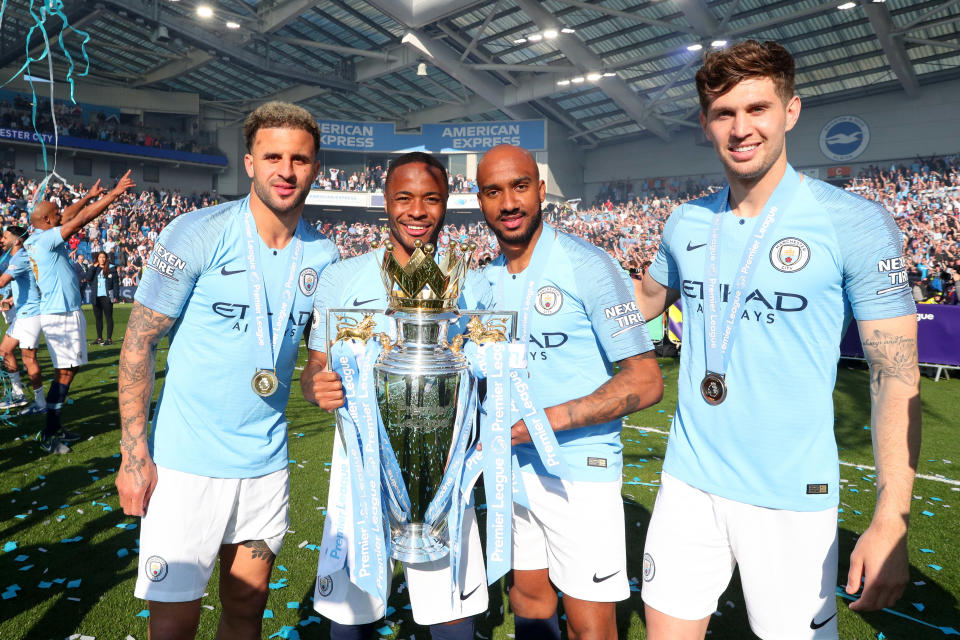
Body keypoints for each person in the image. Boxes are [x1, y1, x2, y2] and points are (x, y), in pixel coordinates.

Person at [634, 40, 920, 639]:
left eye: (757, 109)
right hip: (688, 482)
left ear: (790, 111)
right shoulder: (686, 222)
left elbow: (895, 374)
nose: (741, 128)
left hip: (792, 496)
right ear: (706, 124)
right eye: (724, 113)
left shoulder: (855, 223)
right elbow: (636, 309)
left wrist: (892, 517)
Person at [115, 102, 339, 640]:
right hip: (185, 466)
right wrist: (133, 456)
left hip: (264, 465)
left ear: (315, 167)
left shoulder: (325, 255)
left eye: (300, 159)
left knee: (246, 611)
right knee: (174, 626)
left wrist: (315, 382)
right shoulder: (195, 232)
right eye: (273, 157)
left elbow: (316, 360)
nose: (286, 170)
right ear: (250, 163)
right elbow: (138, 343)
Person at [475, 144, 664, 640]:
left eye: (519, 186)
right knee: (529, 601)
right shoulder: (481, 282)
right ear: (480, 202)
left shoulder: (589, 267)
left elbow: (645, 381)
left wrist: (542, 423)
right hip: (509, 469)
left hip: (578, 471)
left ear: (541, 190)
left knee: (590, 627)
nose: (509, 203)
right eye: (494, 192)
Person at [301, 152, 488, 640]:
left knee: (450, 619)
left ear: (448, 203)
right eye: (404, 197)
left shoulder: (472, 284)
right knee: (351, 615)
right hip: (359, 467)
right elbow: (315, 367)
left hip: (442, 471)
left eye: (431, 198)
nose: (417, 211)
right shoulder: (342, 278)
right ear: (385, 202)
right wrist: (315, 387)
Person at [26, 172, 136, 454]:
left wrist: (88, 196)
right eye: (56, 213)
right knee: (64, 372)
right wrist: (112, 195)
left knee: (69, 370)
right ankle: (50, 432)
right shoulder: (46, 241)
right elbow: (80, 220)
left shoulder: (39, 236)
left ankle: (55, 426)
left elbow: (68, 217)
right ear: (48, 222)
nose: (61, 214)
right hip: (60, 314)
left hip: (63, 312)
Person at [0, 225, 46, 414]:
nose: (2, 240)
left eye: (5, 236)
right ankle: (18, 394)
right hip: (23, 314)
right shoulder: (18, 257)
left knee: (29, 359)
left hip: (31, 316)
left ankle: (41, 403)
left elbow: (2, 281)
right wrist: (11, 300)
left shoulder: (20, 257)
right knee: (5, 351)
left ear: (17, 240)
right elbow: (29, 285)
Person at [85, 251, 119, 344]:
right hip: (96, 297)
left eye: (103, 257)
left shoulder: (111, 268)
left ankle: (109, 339)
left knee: (108, 318)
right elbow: (88, 277)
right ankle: (99, 338)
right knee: (98, 318)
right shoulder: (94, 268)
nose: (102, 259)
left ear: (106, 258)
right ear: (97, 258)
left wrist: (116, 296)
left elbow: (116, 283)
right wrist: (93, 267)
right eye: (100, 257)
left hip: (107, 297)